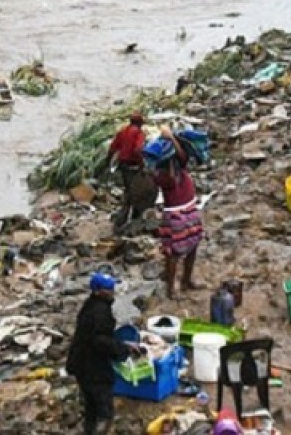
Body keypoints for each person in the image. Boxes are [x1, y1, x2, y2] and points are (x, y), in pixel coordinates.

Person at [66, 273, 138, 435]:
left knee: (91, 407)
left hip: (80, 362)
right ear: (98, 291)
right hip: (93, 368)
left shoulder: (91, 305)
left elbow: (95, 336)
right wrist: (122, 350)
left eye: (112, 286)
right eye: (108, 288)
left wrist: (122, 344)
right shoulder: (100, 312)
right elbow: (100, 341)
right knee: (104, 411)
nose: (112, 290)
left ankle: (89, 430)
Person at [151, 129, 205, 299]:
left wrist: (172, 139)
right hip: (175, 215)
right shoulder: (161, 174)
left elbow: (182, 156)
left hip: (189, 209)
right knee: (172, 253)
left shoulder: (179, 166)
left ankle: (186, 280)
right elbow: (173, 172)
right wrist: (171, 139)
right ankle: (171, 289)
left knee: (193, 246)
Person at [108, 112, 152, 231]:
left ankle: (124, 217)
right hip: (133, 167)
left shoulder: (123, 131)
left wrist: (107, 162)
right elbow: (138, 150)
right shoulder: (139, 133)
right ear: (140, 123)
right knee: (135, 192)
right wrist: (142, 164)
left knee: (128, 189)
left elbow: (112, 148)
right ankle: (128, 218)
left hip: (123, 166)